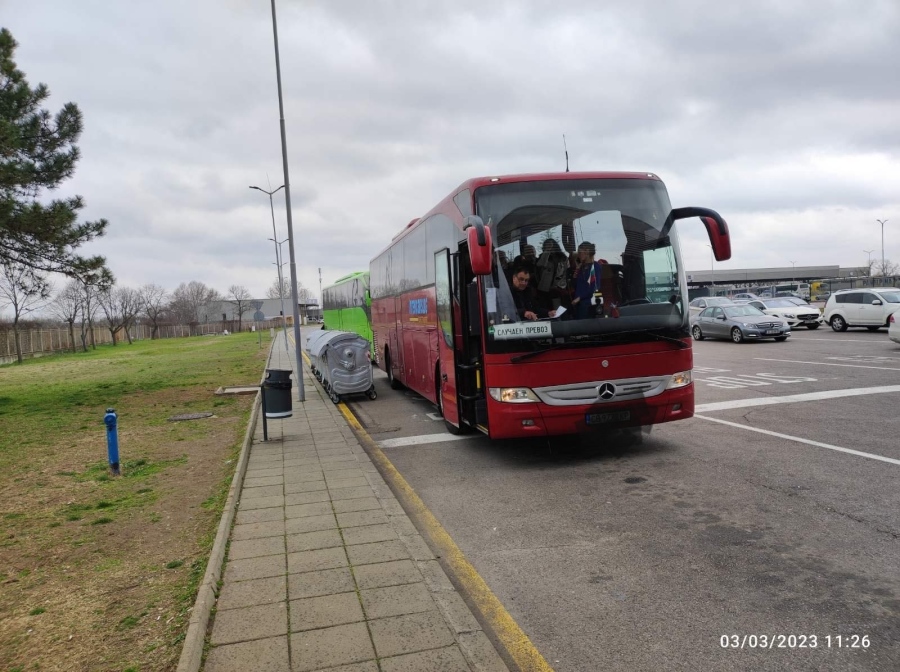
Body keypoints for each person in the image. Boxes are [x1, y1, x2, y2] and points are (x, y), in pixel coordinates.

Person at [570, 241, 603, 319]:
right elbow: (574, 285)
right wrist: (577, 270)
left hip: (588, 304)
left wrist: (579, 298)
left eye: (580, 252)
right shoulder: (582, 267)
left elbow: (595, 287)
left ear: (587, 252)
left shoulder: (594, 266)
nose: (578, 255)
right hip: (579, 303)